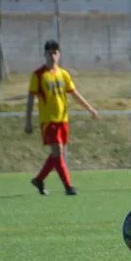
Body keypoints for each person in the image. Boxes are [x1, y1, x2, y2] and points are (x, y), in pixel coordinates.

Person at [24, 40, 98, 196]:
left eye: (55, 53)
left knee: (57, 155)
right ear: (44, 54)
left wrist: (89, 108)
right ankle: (68, 186)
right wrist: (28, 121)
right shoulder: (38, 75)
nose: (52, 56)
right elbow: (30, 99)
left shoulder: (63, 74)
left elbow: (74, 94)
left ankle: (39, 179)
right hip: (48, 120)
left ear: (59, 54)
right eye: (49, 53)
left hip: (63, 120)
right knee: (58, 152)